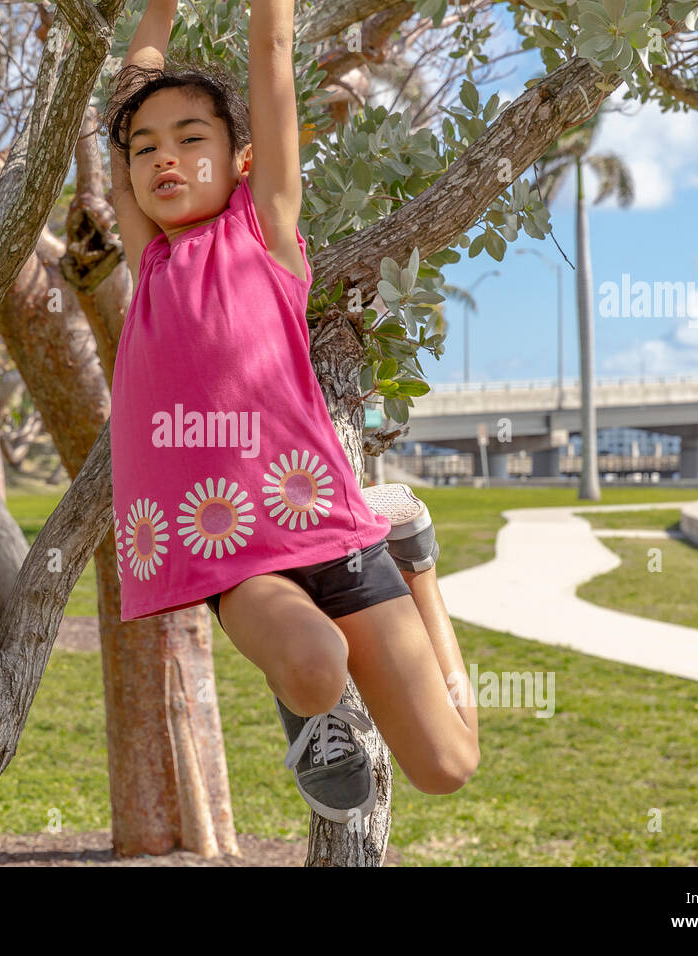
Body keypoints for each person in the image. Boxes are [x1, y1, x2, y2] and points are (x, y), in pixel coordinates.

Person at [102, 0, 479, 825]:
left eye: (190, 140)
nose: (165, 158)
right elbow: (124, 91)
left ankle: (416, 564)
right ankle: (312, 715)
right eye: (145, 149)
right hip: (240, 553)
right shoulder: (151, 262)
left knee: (450, 766)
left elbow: (273, 47)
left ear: (243, 161)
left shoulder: (267, 229)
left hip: (329, 527)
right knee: (312, 661)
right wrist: (157, 10)